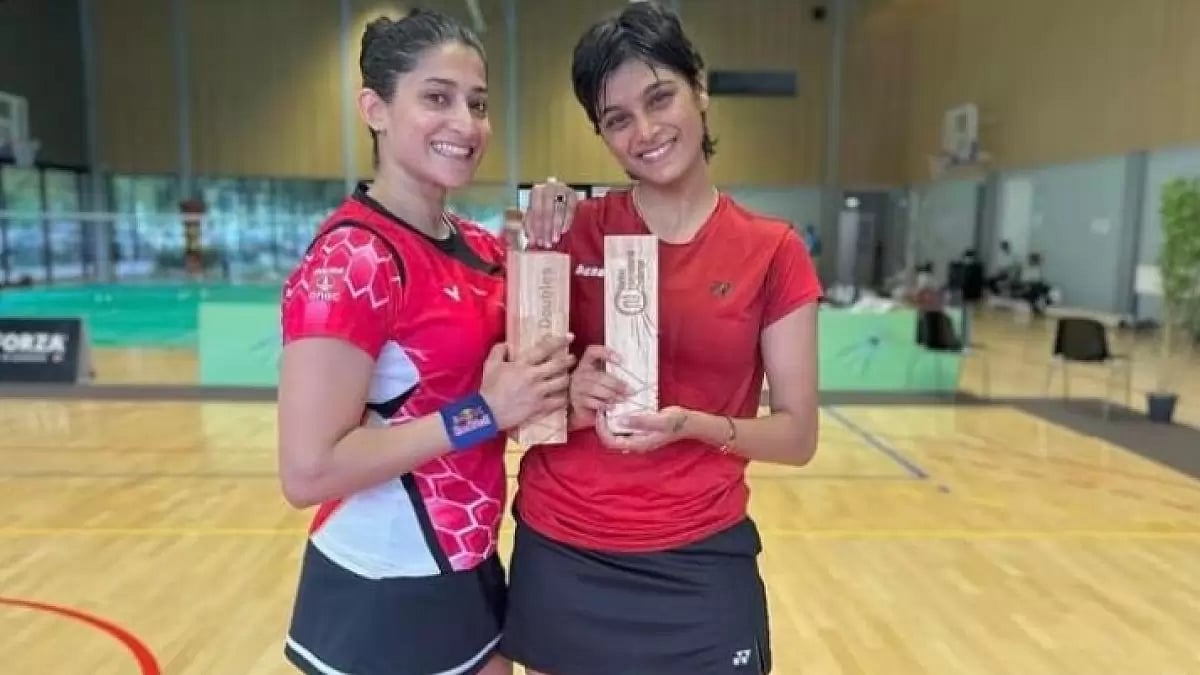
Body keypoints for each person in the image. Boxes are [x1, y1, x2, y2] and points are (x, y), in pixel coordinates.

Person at [500, 3, 822, 673]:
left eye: (660, 97)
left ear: (699, 89)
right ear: (601, 132)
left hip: (701, 556)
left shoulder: (772, 250)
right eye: (618, 119)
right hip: (565, 550)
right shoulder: (570, 231)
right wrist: (571, 400)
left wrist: (692, 425)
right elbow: (517, 419)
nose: (645, 131)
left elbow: (797, 436)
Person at [275, 10, 574, 675]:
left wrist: (567, 227)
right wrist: (482, 414)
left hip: (467, 565)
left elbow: (540, 366)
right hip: (382, 584)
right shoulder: (352, 260)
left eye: (478, 103)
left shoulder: (481, 246)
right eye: (436, 98)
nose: (465, 124)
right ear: (375, 108)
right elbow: (308, 470)